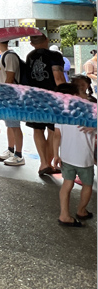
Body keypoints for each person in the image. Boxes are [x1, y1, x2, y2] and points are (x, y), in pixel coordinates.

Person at [53, 83, 96, 227]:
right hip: (85, 158)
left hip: (67, 156)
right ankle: (81, 211)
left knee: (67, 184)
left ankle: (64, 214)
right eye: (83, 92)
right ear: (76, 96)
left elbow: (56, 136)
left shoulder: (61, 112)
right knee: (87, 184)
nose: (86, 95)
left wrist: (55, 155)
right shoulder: (90, 111)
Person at [26, 33, 65, 176]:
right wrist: (67, 95)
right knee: (53, 130)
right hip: (52, 98)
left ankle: (43, 163)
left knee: (38, 129)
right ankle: (49, 163)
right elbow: (58, 78)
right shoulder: (55, 55)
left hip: (34, 97)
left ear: (31, 43)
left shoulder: (29, 56)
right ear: (47, 40)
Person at [0, 41, 25, 166]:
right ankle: (11, 150)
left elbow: (10, 77)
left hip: (12, 96)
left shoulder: (10, 56)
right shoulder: (5, 55)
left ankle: (19, 155)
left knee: (15, 125)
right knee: (10, 125)